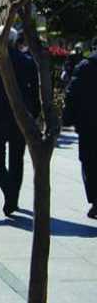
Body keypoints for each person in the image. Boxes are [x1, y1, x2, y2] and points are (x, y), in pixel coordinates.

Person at [0, 29, 40, 217]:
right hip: (21, 116)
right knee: (17, 158)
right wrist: (35, 114)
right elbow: (35, 92)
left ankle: (9, 193)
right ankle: (13, 197)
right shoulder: (27, 61)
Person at [62, 38, 97, 219]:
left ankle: (95, 201)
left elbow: (72, 94)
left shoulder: (84, 67)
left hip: (88, 124)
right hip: (87, 123)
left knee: (89, 162)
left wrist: (68, 117)